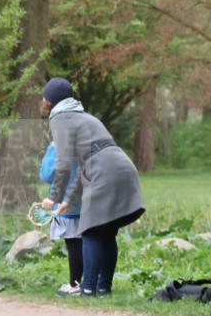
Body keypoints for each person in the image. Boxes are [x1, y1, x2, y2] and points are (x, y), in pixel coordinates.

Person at [40, 78, 145, 296]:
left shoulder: (59, 118)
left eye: (44, 97)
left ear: (51, 102)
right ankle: (103, 287)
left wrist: (53, 196)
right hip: (123, 167)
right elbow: (84, 165)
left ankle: (86, 288)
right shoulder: (85, 117)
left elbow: (65, 162)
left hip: (104, 172)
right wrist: (68, 200)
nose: (42, 101)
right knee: (107, 232)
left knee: (90, 231)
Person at [39, 140, 83, 296]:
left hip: (66, 201)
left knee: (74, 243)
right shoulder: (86, 138)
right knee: (90, 242)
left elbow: (47, 174)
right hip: (88, 199)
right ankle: (93, 282)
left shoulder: (57, 144)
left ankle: (75, 284)